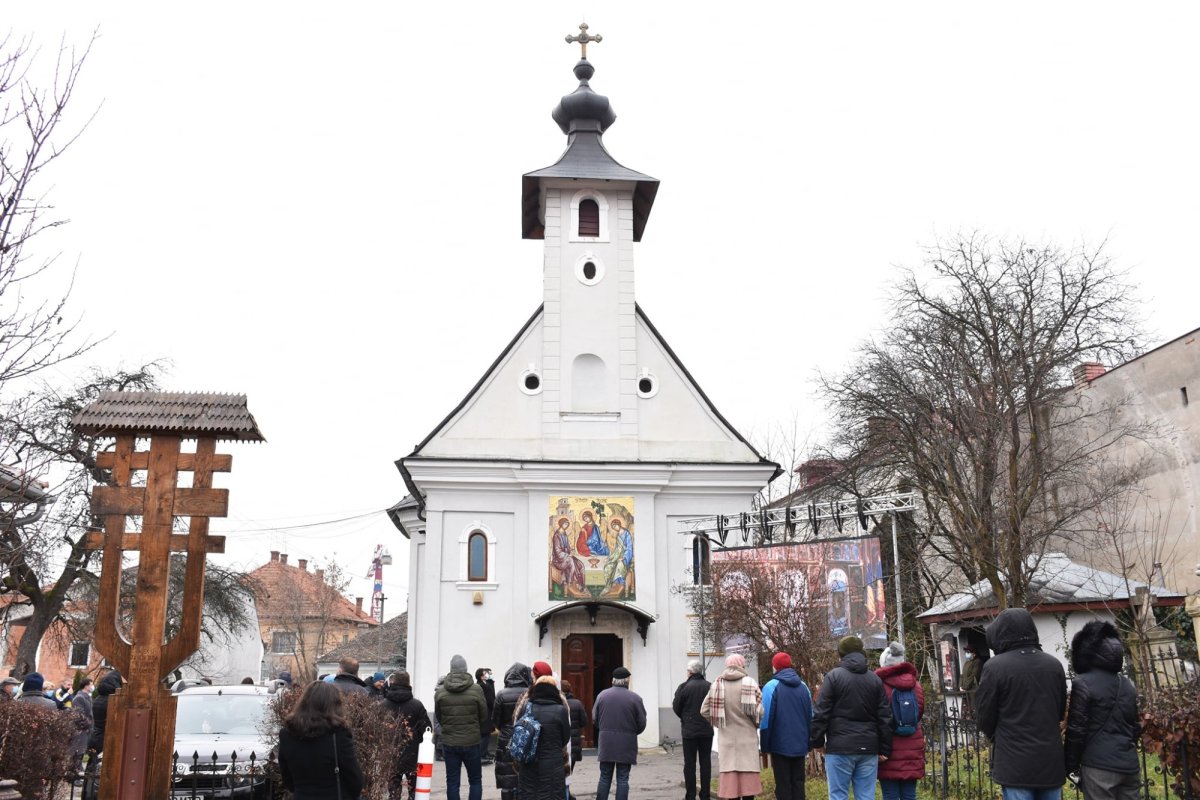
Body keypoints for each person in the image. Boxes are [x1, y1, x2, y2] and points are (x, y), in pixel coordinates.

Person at [976, 608, 1067, 800]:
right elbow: (1059, 712)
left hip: (1013, 761)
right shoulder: (1053, 665)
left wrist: (1000, 737)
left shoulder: (994, 668)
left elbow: (985, 716)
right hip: (1050, 761)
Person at [1063, 620, 1140, 800]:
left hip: (1099, 768)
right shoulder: (1127, 684)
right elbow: (1135, 726)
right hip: (1129, 765)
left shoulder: (1083, 683)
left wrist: (1071, 766)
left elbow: (1077, 729)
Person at [809, 636, 893, 800]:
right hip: (868, 747)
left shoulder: (833, 677)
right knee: (866, 796)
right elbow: (885, 716)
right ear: (862, 653)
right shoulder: (874, 679)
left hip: (839, 746)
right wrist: (885, 748)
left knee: (838, 796)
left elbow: (821, 713)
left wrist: (817, 742)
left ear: (841, 654)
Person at [278, 680, 364, 800]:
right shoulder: (338, 734)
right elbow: (354, 779)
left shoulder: (287, 734)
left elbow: (287, 777)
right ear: (335, 705)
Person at [700, 654, 763, 800]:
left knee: (731, 791)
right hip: (747, 741)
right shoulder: (750, 683)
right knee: (748, 791)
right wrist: (754, 722)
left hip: (727, 741)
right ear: (742, 665)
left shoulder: (717, 684)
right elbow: (759, 711)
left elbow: (704, 710)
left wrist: (719, 722)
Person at [875, 642, 925, 800]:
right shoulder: (915, 684)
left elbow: (878, 717)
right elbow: (920, 711)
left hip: (889, 747)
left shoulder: (879, 685)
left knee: (890, 795)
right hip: (912, 745)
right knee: (910, 795)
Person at [434, 654, 488, 800]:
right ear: (465, 669)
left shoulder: (440, 692)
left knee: (452, 782)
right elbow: (483, 716)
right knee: (475, 780)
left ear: (451, 669)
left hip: (450, 742)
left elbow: (439, 718)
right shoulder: (476, 689)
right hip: (472, 741)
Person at [760, 652, 812, 800]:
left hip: (779, 744)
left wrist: (765, 745)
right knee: (798, 783)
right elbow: (810, 716)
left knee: (783, 784)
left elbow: (766, 718)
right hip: (800, 743)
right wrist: (808, 742)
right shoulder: (803, 686)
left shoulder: (771, 686)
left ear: (775, 666)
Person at [513, 674, 572, 800]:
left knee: (529, 795)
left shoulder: (526, 707)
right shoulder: (561, 710)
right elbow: (565, 738)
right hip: (553, 763)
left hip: (529, 762)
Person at [592, 666, 647, 800]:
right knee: (623, 778)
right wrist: (632, 732)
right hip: (626, 743)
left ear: (613, 680)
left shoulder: (602, 695)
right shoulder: (635, 698)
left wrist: (604, 730)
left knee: (605, 776)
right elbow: (642, 723)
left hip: (606, 742)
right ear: (627, 680)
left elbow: (595, 718)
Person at [383, 671, 432, 800]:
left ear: (393, 682)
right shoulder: (416, 705)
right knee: (414, 789)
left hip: (391, 752)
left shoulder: (383, 705)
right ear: (408, 683)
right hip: (413, 752)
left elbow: (378, 730)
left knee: (394, 790)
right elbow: (427, 729)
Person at [672, 659, 713, 800]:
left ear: (690, 672)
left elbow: (676, 707)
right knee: (705, 763)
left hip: (689, 731)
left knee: (689, 763)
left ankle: (690, 795)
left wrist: (685, 718)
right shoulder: (710, 686)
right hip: (706, 730)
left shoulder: (684, 687)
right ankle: (705, 795)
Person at [493, 662, 533, 800]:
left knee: (506, 777)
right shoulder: (530, 693)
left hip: (506, 737)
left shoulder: (501, 694)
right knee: (524, 776)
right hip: (526, 736)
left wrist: (504, 728)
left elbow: (496, 720)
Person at [560, 679, 589, 799]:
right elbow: (584, 721)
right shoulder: (577, 703)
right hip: (574, 743)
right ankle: (566, 793)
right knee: (569, 770)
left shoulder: (558, 702)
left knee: (559, 772)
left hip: (561, 742)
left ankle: (565, 794)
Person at [87, 670, 123, 754]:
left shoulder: (98, 699)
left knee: (92, 762)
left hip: (95, 736)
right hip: (104, 740)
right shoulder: (112, 701)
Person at [69, 677, 96, 772]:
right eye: (91, 684)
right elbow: (78, 715)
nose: (93, 686)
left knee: (81, 751)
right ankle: (74, 773)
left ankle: (76, 771)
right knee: (77, 752)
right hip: (81, 729)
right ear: (86, 685)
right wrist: (87, 724)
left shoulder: (88, 697)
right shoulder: (79, 697)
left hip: (86, 730)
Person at [475, 667, 496, 765]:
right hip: (486, 713)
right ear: (481, 676)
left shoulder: (481, 685)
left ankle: (484, 753)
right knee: (485, 735)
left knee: (485, 734)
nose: (487, 675)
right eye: (485, 673)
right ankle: (481, 755)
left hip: (483, 712)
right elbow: (491, 699)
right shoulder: (484, 686)